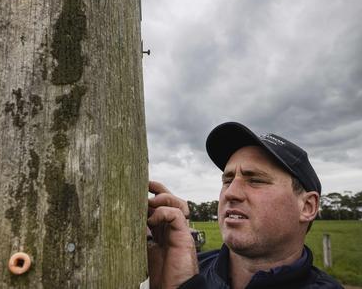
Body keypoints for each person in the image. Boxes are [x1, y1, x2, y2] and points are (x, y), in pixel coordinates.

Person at [147, 122, 343, 289]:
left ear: (307, 206)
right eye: (227, 180)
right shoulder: (185, 265)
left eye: (256, 180)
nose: (231, 192)